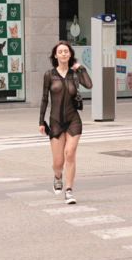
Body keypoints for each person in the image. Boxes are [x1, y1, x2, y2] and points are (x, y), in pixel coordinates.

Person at [38, 41, 93, 205]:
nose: (63, 54)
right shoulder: (49, 74)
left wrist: (81, 68)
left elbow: (89, 85)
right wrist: (41, 121)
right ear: (55, 55)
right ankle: (57, 176)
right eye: (60, 51)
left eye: (66, 51)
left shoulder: (75, 74)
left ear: (70, 55)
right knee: (58, 162)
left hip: (73, 120)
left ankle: (69, 191)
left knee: (70, 153)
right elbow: (44, 99)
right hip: (55, 121)